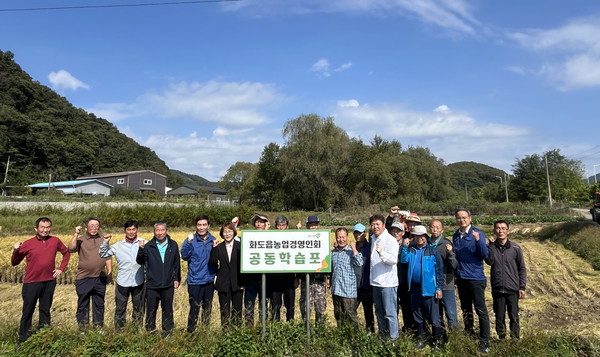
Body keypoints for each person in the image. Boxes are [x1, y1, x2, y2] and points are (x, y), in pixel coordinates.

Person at [11, 217, 70, 343]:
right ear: (36, 229)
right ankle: (23, 339)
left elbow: (66, 253)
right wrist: (16, 250)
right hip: (32, 282)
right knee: (28, 311)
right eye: (42, 227)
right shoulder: (28, 243)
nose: (45, 230)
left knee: (45, 310)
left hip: (49, 281)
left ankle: (44, 337)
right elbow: (14, 262)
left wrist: (60, 268)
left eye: (48, 227)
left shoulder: (55, 241)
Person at [452, 208, 491, 353]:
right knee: (465, 309)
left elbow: (485, 255)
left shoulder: (477, 233)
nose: (461, 220)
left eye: (464, 217)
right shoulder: (456, 235)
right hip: (461, 278)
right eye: (459, 218)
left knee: (480, 310)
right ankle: (469, 333)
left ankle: (484, 340)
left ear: (470, 218)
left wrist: (479, 241)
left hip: (475, 278)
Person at [400, 225, 444, 348]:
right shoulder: (411, 250)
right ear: (413, 237)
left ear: (426, 237)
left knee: (434, 317)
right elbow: (403, 260)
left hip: (429, 289)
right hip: (414, 288)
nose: (420, 238)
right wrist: (404, 246)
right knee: (417, 315)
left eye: (422, 236)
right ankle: (421, 340)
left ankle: (436, 342)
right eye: (417, 236)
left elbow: (440, 270)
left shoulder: (433, 251)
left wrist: (439, 287)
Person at [99, 220, 146, 329]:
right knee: (120, 308)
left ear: (137, 230)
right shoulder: (118, 245)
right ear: (125, 230)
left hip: (139, 281)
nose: (131, 232)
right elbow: (103, 254)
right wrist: (105, 242)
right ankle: (119, 331)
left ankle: (136, 330)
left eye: (133, 229)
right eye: (129, 229)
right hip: (122, 282)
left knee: (138, 308)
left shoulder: (144, 243)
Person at [136, 222, 181, 336]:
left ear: (166, 231)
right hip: (152, 284)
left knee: (167, 309)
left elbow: (176, 263)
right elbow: (140, 261)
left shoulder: (173, 245)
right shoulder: (148, 246)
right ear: (154, 232)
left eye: (162, 230)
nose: (160, 233)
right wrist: (140, 249)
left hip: (168, 283)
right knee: (151, 309)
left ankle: (167, 332)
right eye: (157, 230)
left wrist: (177, 278)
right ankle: (150, 332)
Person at [485, 220, 527, 340]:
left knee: (514, 316)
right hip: (498, 288)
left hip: (512, 288)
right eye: (498, 228)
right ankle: (501, 339)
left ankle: (515, 339)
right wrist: (492, 246)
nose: (501, 231)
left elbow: (522, 268)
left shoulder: (515, 248)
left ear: (508, 231)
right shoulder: (490, 247)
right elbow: (489, 262)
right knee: (499, 316)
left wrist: (522, 287)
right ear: (494, 231)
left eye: (503, 228)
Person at [68, 217, 112, 330]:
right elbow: (71, 248)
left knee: (99, 304)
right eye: (91, 225)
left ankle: (98, 327)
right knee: (83, 303)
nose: (94, 227)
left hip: (100, 277)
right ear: (86, 227)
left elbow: (107, 256)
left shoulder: (103, 239)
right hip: (84, 277)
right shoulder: (81, 239)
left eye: (96, 225)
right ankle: (83, 328)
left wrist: (110, 272)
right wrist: (76, 234)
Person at [181, 215, 218, 332]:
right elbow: (185, 256)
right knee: (194, 308)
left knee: (207, 308)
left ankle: (204, 332)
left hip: (209, 280)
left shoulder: (213, 240)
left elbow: (216, 259)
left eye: (204, 225)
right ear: (196, 226)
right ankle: (191, 332)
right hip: (195, 280)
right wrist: (188, 243)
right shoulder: (191, 240)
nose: (201, 227)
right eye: (199, 225)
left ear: (208, 226)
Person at [369, 214, 400, 340]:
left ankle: (393, 340)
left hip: (388, 283)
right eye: (373, 224)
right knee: (379, 312)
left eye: (378, 224)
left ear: (383, 225)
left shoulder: (390, 240)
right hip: (375, 282)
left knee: (390, 314)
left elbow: (393, 260)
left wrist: (382, 252)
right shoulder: (373, 238)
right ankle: (382, 337)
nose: (375, 227)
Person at [428, 220, 459, 334]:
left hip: (446, 283)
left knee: (450, 313)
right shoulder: (427, 243)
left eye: (437, 227)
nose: (435, 229)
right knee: (436, 313)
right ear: (429, 228)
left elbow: (454, 264)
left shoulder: (447, 244)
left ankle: (455, 337)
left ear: (442, 230)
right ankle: (440, 337)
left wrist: (450, 253)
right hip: (431, 283)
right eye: (432, 227)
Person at [210, 223, 243, 326]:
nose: (227, 234)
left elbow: (244, 265)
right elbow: (212, 262)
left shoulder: (240, 246)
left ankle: (237, 332)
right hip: (223, 282)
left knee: (237, 309)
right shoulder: (219, 247)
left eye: (230, 231)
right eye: (225, 232)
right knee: (224, 309)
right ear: (221, 233)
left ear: (234, 233)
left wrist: (244, 282)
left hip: (238, 282)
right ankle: (225, 332)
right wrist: (214, 249)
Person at [298, 215, 329, 324]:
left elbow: (327, 259)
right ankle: (305, 330)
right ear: (307, 226)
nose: (313, 227)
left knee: (320, 307)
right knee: (306, 307)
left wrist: (328, 277)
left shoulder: (323, 239)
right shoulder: (302, 238)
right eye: (311, 224)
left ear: (318, 226)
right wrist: (298, 231)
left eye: (315, 224)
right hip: (306, 280)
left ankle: (320, 331)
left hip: (319, 280)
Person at [330, 227, 363, 327]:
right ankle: (342, 338)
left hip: (348, 291)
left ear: (347, 237)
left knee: (351, 318)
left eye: (343, 237)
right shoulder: (333, 253)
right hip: (336, 291)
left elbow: (359, 262)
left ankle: (355, 339)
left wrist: (354, 249)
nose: (341, 240)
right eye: (339, 237)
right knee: (339, 316)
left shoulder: (351, 252)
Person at [267, 216, 297, 321]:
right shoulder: (271, 238)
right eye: (279, 225)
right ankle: (276, 329)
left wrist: (296, 277)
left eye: (283, 225)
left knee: (290, 306)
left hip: (289, 278)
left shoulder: (293, 238)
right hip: (274, 278)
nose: (281, 228)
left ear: (287, 227)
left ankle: (290, 327)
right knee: (275, 306)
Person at [242, 213, 269, 326]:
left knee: (264, 304)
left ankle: (263, 327)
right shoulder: (249, 236)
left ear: (266, 224)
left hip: (266, 277)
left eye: (262, 222)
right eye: (257, 222)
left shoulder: (272, 237)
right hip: (250, 277)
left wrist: (267, 232)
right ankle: (249, 328)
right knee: (249, 304)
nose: (258, 224)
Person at [390, 221, 416, 334]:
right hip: (391, 281)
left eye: (398, 231)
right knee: (393, 308)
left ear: (403, 232)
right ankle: (393, 330)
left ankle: (408, 329)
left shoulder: (408, 245)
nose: (396, 233)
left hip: (404, 281)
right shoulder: (388, 244)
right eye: (394, 230)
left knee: (406, 307)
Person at [354, 223, 375, 333]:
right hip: (354, 286)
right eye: (356, 233)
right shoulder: (352, 248)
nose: (358, 235)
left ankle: (370, 332)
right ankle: (354, 332)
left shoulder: (370, 247)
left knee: (368, 312)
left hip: (366, 285)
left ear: (365, 234)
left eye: (360, 233)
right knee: (351, 311)